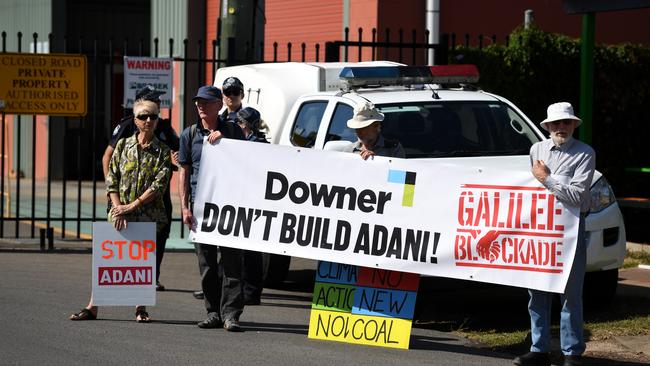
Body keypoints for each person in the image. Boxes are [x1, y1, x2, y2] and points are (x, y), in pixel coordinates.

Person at [70, 99, 171, 323]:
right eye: (144, 116)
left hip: (146, 215)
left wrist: (132, 206)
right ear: (135, 120)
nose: (148, 121)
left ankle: (140, 308)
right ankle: (92, 307)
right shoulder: (124, 145)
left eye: (153, 117)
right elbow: (112, 178)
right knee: (109, 261)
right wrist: (118, 207)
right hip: (119, 213)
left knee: (143, 262)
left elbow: (159, 185)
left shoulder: (162, 151)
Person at [514, 102, 595, 366]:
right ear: (547, 127)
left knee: (570, 293)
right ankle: (539, 349)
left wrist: (547, 179)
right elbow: (531, 189)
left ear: (573, 125)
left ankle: (572, 353)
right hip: (541, 229)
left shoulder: (585, 153)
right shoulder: (536, 149)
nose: (562, 127)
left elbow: (576, 196)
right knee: (537, 291)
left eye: (566, 122)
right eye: (556, 123)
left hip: (570, 230)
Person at [178, 85, 246, 332]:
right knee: (206, 264)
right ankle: (213, 312)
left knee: (232, 263)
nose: (200, 106)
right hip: (201, 209)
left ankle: (231, 314)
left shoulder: (233, 131)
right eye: (198, 102)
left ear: (219, 105)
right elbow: (183, 173)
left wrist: (225, 143)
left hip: (229, 207)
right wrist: (185, 207)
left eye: (206, 102)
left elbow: (247, 162)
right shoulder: (189, 134)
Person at [101, 85, 179, 292]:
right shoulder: (128, 126)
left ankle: (150, 277)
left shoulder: (162, 126)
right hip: (125, 196)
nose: (150, 119)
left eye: (158, 103)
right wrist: (113, 198)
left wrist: (177, 158)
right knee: (123, 238)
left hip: (155, 198)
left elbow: (178, 152)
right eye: (154, 100)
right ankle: (119, 282)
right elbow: (108, 157)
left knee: (158, 237)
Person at [235, 107, 267, 305]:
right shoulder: (236, 141)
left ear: (249, 126)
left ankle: (252, 292)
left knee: (252, 250)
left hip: (253, 201)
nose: (237, 126)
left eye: (240, 123)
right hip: (237, 199)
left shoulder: (259, 144)